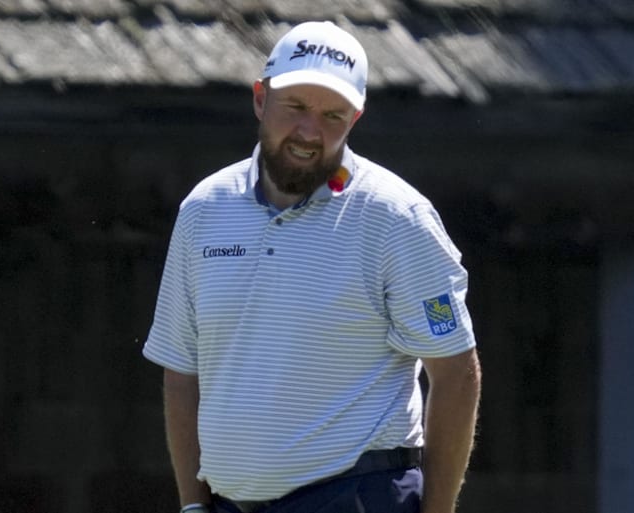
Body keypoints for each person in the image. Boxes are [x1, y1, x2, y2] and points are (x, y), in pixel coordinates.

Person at [143, 20, 481, 513]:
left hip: (357, 497)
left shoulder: (397, 217)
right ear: (261, 98)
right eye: (295, 107)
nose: (309, 131)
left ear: (355, 119)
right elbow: (181, 371)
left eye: (332, 115)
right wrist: (194, 506)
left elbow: (455, 373)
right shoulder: (204, 209)